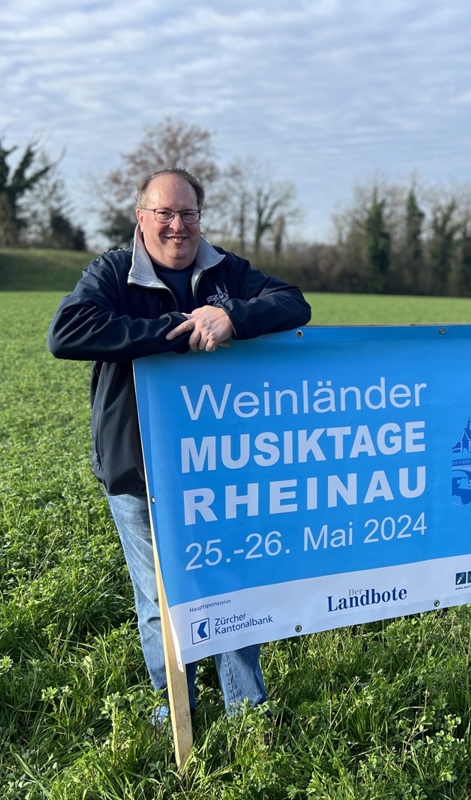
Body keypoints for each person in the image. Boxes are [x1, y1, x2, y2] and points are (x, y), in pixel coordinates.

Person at [48, 168, 311, 720]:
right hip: (138, 467)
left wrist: (231, 316)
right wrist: (177, 332)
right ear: (140, 218)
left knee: (233, 588)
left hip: (222, 468)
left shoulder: (226, 272)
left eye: (188, 214)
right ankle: (177, 713)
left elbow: (293, 303)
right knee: (160, 601)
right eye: (164, 214)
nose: (177, 226)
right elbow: (68, 331)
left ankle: (247, 709)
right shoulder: (113, 271)